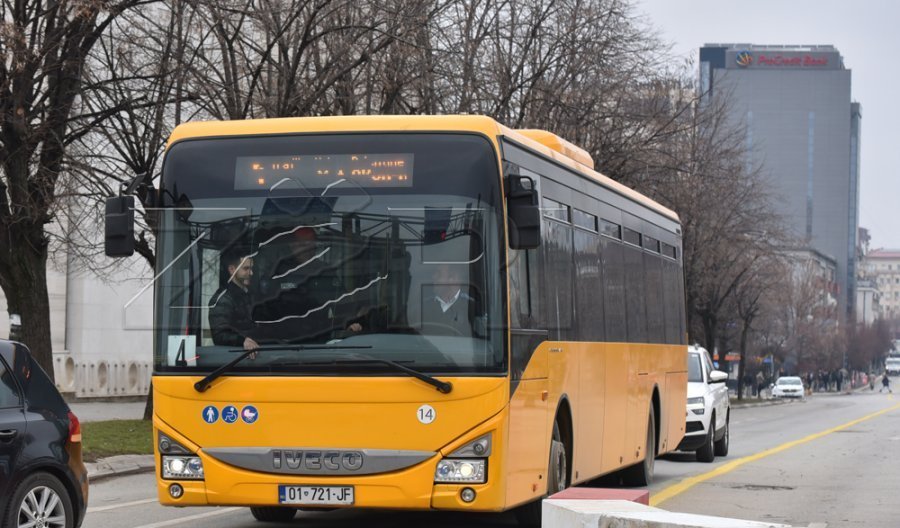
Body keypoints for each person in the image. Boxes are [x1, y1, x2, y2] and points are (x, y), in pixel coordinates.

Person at [256, 226, 362, 341]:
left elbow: (342, 302)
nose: (307, 249)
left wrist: (350, 322)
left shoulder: (325, 271)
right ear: (292, 246)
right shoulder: (279, 272)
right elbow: (264, 307)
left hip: (320, 339)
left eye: (310, 245)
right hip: (282, 341)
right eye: (302, 245)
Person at [209, 250, 260, 352]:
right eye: (246, 268)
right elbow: (219, 335)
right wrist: (242, 340)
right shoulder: (223, 298)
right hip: (236, 356)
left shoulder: (251, 294)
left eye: (251, 268)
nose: (251, 273)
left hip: (259, 352)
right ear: (232, 270)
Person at [421, 264, 474, 336]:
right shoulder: (424, 306)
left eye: (439, 274)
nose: (433, 277)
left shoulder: (472, 307)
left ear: (453, 278)